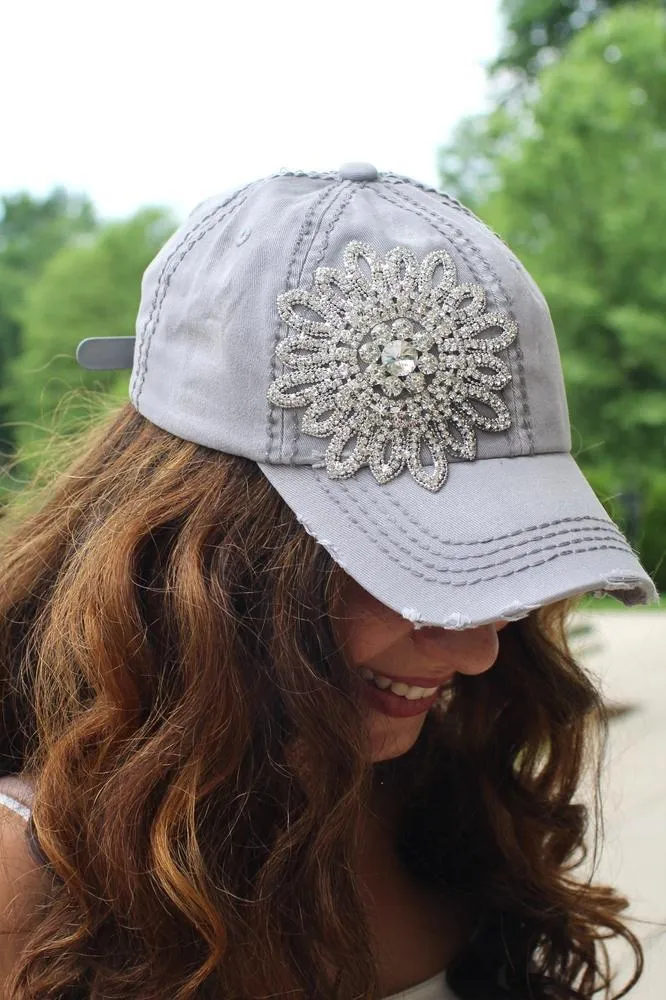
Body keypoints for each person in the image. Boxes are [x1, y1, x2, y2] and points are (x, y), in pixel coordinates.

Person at [0, 163, 658, 1000]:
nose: (480, 648)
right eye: (406, 563)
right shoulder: (33, 889)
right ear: (208, 554)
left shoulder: (444, 804)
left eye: (500, 562)